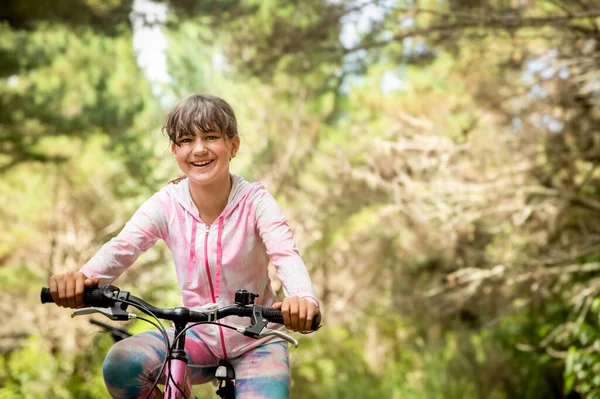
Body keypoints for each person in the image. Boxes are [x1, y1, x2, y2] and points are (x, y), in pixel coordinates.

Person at [48, 94, 321, 399]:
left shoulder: (256, 202)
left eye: (211, 136)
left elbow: (286, 254)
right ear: (175, 150)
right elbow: (122, 247)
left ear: (233, 145)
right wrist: (81, 280)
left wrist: (301, 297)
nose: (199, 148)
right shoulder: (167, 204)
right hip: (195, 338)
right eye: (187, 140)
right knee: (121, 364)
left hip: (256, 339)